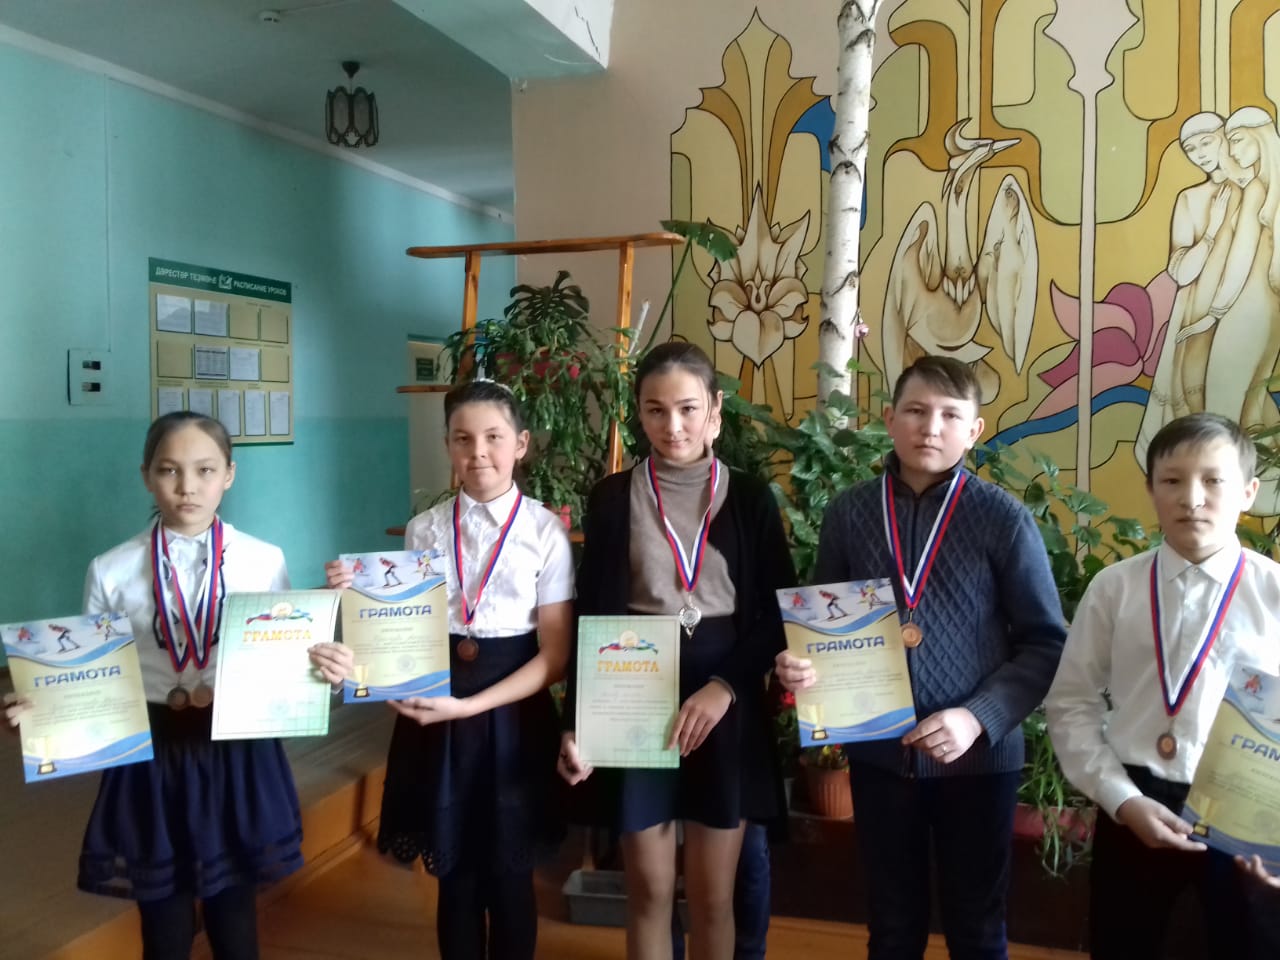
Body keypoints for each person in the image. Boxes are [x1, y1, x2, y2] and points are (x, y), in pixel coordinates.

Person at [5, 411, 353, 960]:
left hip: (237, 750)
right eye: (169, 470)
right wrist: (41, 709)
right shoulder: (110, 569)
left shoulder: (264, 560)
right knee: (163, 918)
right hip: (152, 753)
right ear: (146, 475)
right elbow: (92, 673)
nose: (187, 486)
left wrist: (325, 672)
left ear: (229, 475)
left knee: (234, 915)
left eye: (205, 470)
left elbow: (284, 658)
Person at [775, 355, 1066, 960]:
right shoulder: (850, 512)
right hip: (881, 759)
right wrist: (801, 664)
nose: (930, 428)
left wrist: (978, 717)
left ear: (974, 430)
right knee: (891, 926)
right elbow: (824, 623)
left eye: (949, 415)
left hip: (979, 764)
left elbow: (1046, 642)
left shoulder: (1003, 519)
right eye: (915, 410)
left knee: (977, 929)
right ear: (889, 418)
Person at [559, 341, 793, 960]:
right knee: (648, 892)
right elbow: (592, 615)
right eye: (656, 410)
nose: (673, 426)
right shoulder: (613, 498)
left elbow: (778, 614)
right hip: (633, 696)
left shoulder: (750, 496)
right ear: (639, 413)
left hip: (724, 701)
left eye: (688, 409)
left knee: (715, 899)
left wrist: (726, 687)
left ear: (715, 411)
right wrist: (577, 723)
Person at [325, 380, 573, 960]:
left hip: (513, 718)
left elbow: (555, 657)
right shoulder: (424, 529)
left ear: (521, 444)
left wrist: (468, 707)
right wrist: (352, 604)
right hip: (435, 717)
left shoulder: (545, 531)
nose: (478, 452)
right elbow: (399, 633)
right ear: (447, 446)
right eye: (463, 439)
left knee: (510, 879)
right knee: (454, 878)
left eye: (493, 437)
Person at [1046, 412, 1280, 959]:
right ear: (1151, 489)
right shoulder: (1115, 589)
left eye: (1213, 480)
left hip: (1247, 810)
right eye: (1172, 480)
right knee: (1124, 943)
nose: (1191, 498)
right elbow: (1072, 702)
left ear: (1248, 492)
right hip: (1135, 800)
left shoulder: (1273, 594)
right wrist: (1122, 800)